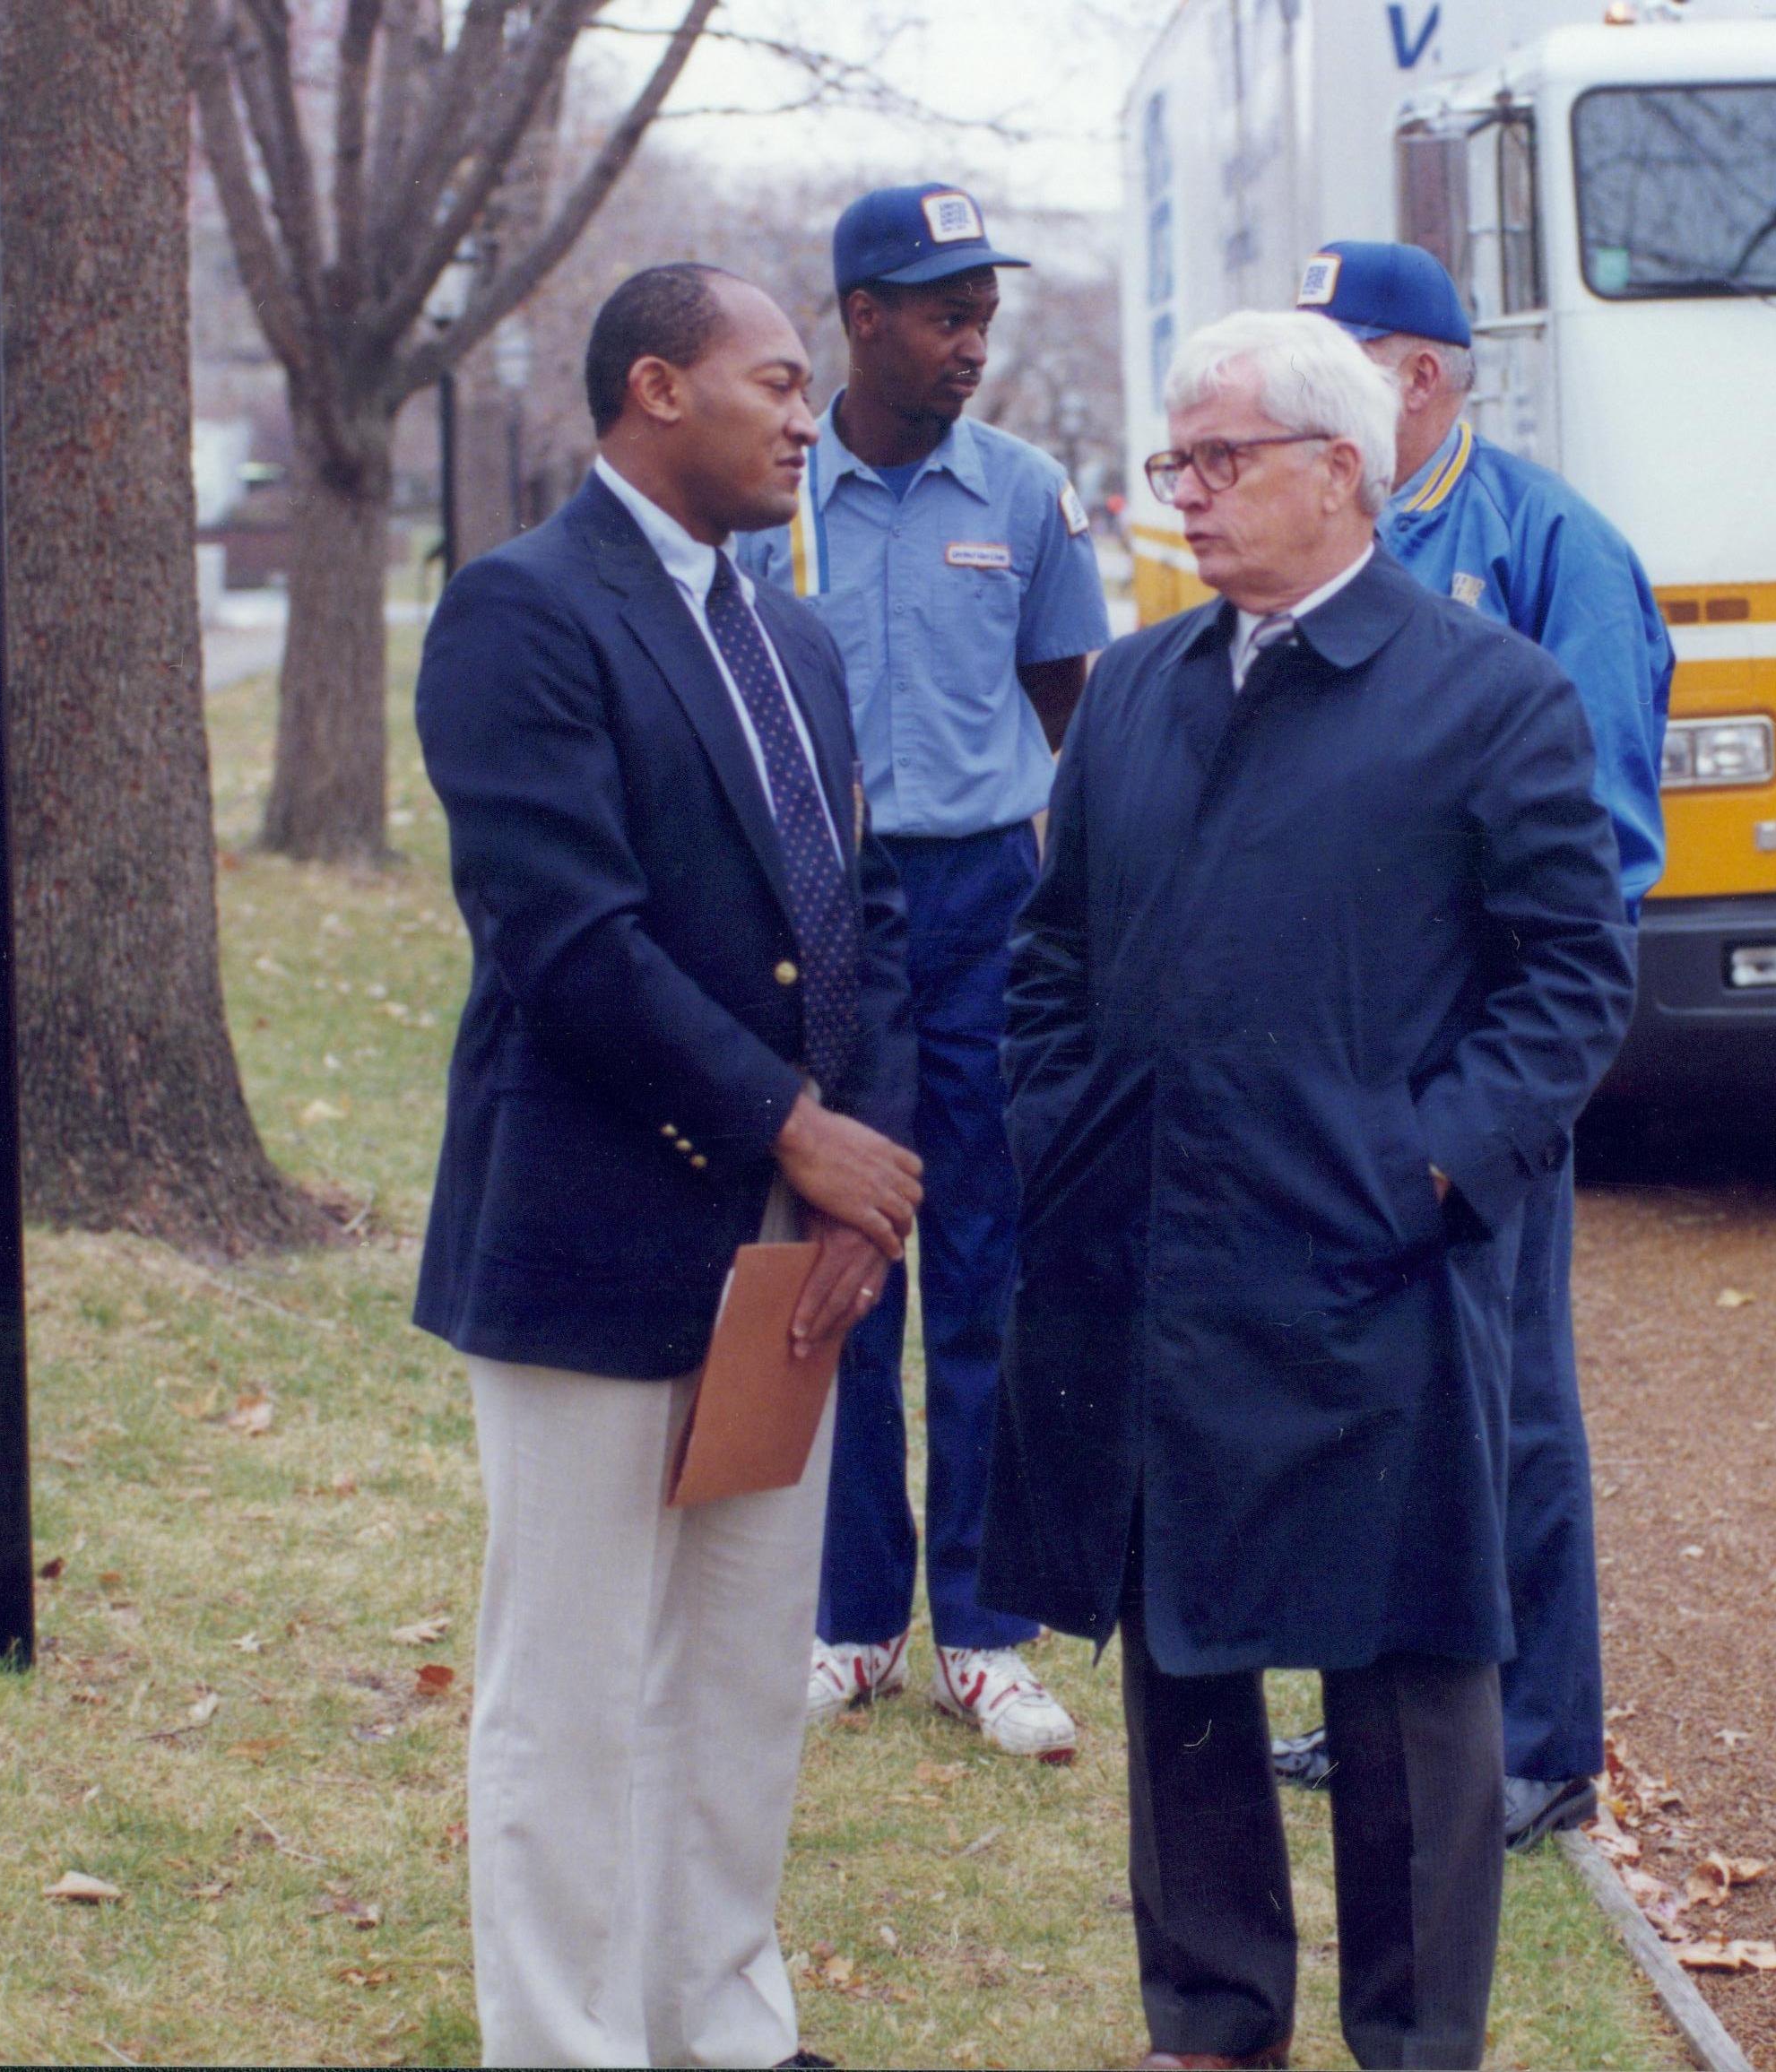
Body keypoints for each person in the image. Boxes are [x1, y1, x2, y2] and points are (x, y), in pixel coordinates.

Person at [980, 310, 1636, 2071]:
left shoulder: (1487, 696)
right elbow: (1048, 963)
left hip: (1373, 1272)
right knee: (1179, 1672)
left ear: (1336, 472)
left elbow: (1568, 981)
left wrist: (1426, 1164)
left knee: (1409, 1688)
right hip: (1151, 1265)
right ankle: (1209, 2022)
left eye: (1217, 459)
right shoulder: (1132, 691)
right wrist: (1060, 1125)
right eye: (1171, 461)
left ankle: (1414, 2041)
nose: (1181, 494)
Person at [413, 261, 922, 2070]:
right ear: (651, 390)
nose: (808, 414)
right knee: (566, 1687)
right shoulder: (520, 615)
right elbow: (568, 937)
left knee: (732, 1672)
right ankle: (560, 2043)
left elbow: (861, 919)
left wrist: (872, 1184)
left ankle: (715, 2021)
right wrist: (798, 1130)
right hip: (588, 1237)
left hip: (794, 1245)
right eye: (774, 382)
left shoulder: (786, 635)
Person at [1273, 238, 1676, 1855]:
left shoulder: (1554, 547)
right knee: (1359, 1383)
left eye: (1326, 375)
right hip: (1340, 1052)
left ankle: (1536, 1739)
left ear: (1417, 378)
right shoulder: (1336, 547)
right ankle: (1375, 1703)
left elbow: (1592, 838)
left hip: (1486, 1059)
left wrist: (1490, 1065)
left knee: (1504, 1394)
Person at [732, 183, 1109, 1762]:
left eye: (985, 316)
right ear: (860, 319)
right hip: (813, 910)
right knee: (835, 1257)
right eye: (944, 315)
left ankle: (983, 1632)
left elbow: (1073, 713)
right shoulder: (770, 498)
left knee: (981, 1262)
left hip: (976, 908)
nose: (972, 344)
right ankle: (847, 1621)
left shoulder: (1020, 495)